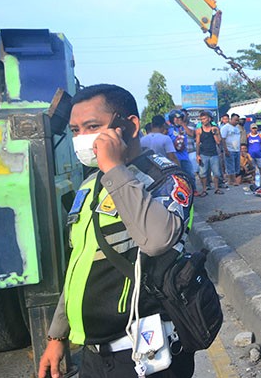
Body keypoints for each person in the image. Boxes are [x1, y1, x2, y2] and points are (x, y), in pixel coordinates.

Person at [38, 84, 195, 378]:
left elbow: (158, 241)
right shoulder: (90, 185)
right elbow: (80, 262)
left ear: (130, 126)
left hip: (146, 354)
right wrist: (57, 335)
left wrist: (113, 168)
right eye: (75, 130)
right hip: (94, 356)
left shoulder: (165, 179)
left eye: (93, 126)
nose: (83, 138)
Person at [167, 110, 198, 196]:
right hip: (174, 157)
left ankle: (193, 190)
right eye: (176, 118)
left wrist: (183, 124)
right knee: (177, 177)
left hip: (184, 156)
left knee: (190, 174)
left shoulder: (182, 128)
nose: (178, 120)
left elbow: (191, 134)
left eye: (180, 118)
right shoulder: (168, 130)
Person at [195, 110, 223, 195]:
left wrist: (215, 133)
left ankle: (216, 188)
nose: (203, 121)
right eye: (202, 119)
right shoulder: (199, 130)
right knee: (203, 173)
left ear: (209, 119)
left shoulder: (214, 129)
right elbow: (197, 143)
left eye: (205, 119)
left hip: (214, 153)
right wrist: (197, 155)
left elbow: (218, 142)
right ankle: (204, 189)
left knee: (216, 173)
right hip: (204, 154)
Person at [220, 113, 242, 186]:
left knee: (236, 166)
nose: (237, 122)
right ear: (231, 119)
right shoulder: (226, 127)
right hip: (229, 149)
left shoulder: (237, 128)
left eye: (238, 120)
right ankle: (232, 181)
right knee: (230, 166)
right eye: (235, 120)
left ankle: (232, 180)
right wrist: (225, 149)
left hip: (237, 149)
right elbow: (223, 139)